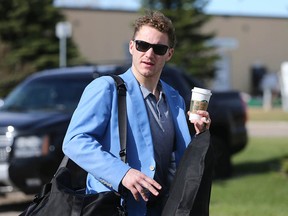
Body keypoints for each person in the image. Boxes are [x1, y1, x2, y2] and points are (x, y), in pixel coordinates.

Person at [62, 10, 211, 216]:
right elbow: (75, 141)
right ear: (132, 47)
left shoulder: (174, 98)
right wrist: (122, 173)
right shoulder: (107, 88)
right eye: (142, 45)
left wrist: (199, 134)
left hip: (163, 209)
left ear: (169, 54)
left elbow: (179, 161)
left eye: (158, 48)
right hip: (113, 208)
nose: (149, 54)